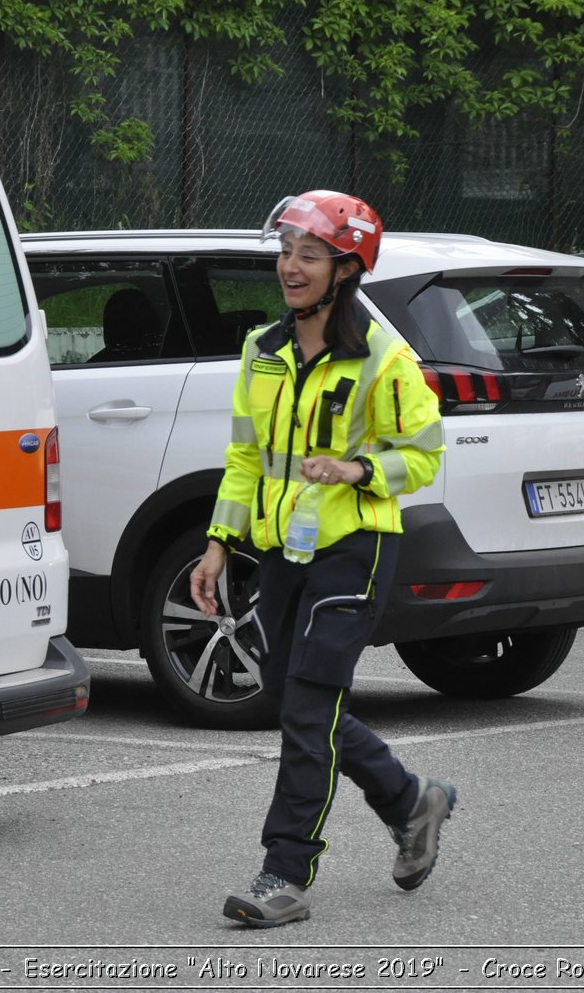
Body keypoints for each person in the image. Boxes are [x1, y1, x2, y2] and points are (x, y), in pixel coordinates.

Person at [190, 189, 457, 929]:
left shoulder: (384, 357)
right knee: (298, 697)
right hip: (282, 551)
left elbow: (427, 453)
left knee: (309, 704)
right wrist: (217, 545)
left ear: (346, 267)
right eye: (285, 252)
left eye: (309, 254)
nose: (290, 266)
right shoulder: (262, 352)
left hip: (357, 546)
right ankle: (411, 802)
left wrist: (361, 471)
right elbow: (245, 458)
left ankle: (285, 872)